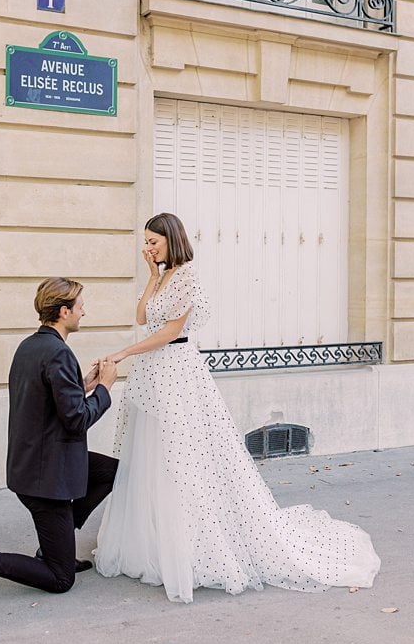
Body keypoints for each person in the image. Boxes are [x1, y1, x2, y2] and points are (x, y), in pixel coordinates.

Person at [93, 212, 380, 603]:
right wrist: (149, 275)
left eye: (153, 242)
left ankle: (189, 542)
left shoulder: (188, 275)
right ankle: (152, 538)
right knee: (151, 456)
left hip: (177, 372)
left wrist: (123, 352)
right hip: (153, 374)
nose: (148, 247)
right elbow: (142, 316)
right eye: (145, 241)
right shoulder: (161, 275)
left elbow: (169, 332)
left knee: (181, 458)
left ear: (171, 240)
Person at [0, 278, 120, 605]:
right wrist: (105, 389)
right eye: (80, 307)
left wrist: (83, 385)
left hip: (38, 463)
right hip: (46, 478)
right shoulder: (59, 353)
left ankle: (55, 541)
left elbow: (47, 399)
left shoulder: (31, 346)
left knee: (111, 472)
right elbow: (76, 419)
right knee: (60, 578)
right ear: (64, 311)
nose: (84, 312)